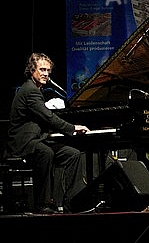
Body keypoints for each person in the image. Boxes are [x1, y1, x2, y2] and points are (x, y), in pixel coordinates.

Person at [6, 53, 90, 213]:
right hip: (23, 143)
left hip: (37, 140)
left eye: (48, 71)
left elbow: (44, 118)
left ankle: (72, 203)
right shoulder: (30, 90)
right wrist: (72, 128)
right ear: (32, 70)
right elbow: (48, 117)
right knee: (46, 153)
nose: (46, 74)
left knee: (72, 154)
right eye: (42, 69)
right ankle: (43, 204)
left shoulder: (37, 90)